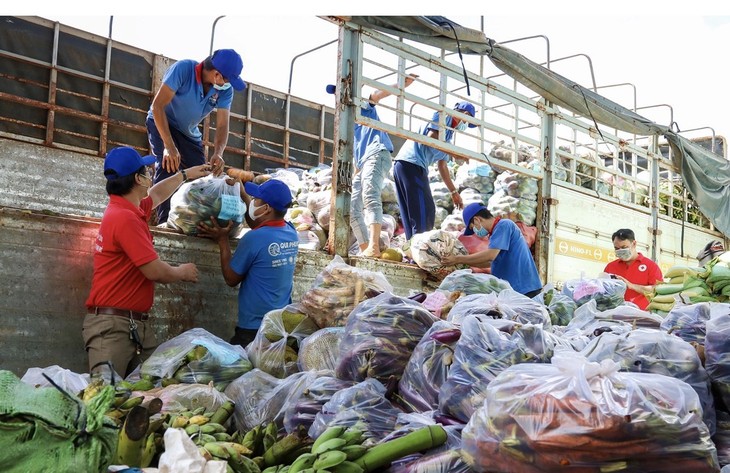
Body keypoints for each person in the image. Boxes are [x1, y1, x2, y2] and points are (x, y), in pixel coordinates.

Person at [84, 146, 211, 377]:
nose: (150, 175)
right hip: (113, 329)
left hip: (133, 325)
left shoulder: (126, 207)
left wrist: (184, 175)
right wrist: (182, 272)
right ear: (138, 178)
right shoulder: (125, 218)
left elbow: (156, 195)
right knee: (105, 400)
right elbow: (153, 271)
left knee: (153, 389)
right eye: (146, 171)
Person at [147, 48, 246, 224]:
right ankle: (164, 222)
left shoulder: (225, 90)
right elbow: (158, 107)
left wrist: (218, 153)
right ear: (217, 75)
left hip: (189, 133)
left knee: (202, 176)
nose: (229, 84)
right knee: (168, 166)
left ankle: (191, 221)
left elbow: (223, 125)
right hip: (162, 121)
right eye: (228, 79)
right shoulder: (183, 69)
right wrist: (169, 147)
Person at [197, 178, 299, 348]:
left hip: (253, 330)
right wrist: (244, 195)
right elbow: (262, 226)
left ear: (266, 208)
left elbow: (231, 278)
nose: (252, 202)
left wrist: (222, 240)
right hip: (279, 325)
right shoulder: (290, 232)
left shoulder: (253, 239)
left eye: (255, 200)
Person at [327, 74, 416, 258]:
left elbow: (376, 95)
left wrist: (399, 84)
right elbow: (355, 152)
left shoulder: (361, 106)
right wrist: (355, 174)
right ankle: (365, 247)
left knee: (370, 197)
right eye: (335, 94)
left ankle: (374, 246)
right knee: (352, 206)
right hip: (363, 163)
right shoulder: (347, 123)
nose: (338, 97)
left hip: (377, 154)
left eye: (339, 92)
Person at [393, 102, 475, 240]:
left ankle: (412, 247)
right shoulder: (444, 117)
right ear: (465, 115)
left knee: (413, 212)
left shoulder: (448, 135)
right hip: (412, 164)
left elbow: (442, 166)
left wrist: (454, 192)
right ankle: (422, 248)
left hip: (406, 166)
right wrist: (455, 154)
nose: (465, 125)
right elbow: (431, 137)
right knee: (425, 211)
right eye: (467, 122)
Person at [441, 203, 543, 298]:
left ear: (477, 220)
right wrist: (465, 265)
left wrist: (458, 259)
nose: (475, 232)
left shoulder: (504, 225)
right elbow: (489, 262)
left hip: (525, 290)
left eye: (473, 228)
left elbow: (490, 256)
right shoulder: (494, 234)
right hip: (515, 291)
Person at [604, 228, 663, 310]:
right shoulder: (610, 267)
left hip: (642, 318)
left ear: (634, 244)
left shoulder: (650, 266)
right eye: (617, 248)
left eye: (624, 247)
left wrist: (631, 286)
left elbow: (658, 291)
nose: (620, 251)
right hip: (616, 317)